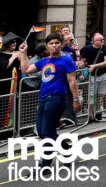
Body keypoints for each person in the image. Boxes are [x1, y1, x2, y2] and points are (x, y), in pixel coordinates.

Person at [18, 35, 80, 163]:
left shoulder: (66, 60)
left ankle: (45, 164)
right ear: (47, 45)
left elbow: (72, 81)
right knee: (42, 132)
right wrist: (23, 53)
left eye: (57, 43)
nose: (54, 45)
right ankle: (66, 150)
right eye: (51, 43)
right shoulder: (44, 61)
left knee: (47, 131)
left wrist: (76, 99)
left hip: (57, 98)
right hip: (43, 99)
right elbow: (26, 69)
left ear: (61, 44)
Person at [80, 32, 106, 120]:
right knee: (91, 95)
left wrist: (95, 66)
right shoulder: (87, 49)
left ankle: (97, 112)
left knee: (100, 95)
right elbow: (83, 61)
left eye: (103, 39)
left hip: (104, 74)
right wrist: (82, 69)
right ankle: (90, 114)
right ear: (95, 41)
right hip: (93, 76)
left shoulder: (105, 48)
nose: (103, 41)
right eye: (101, 40)